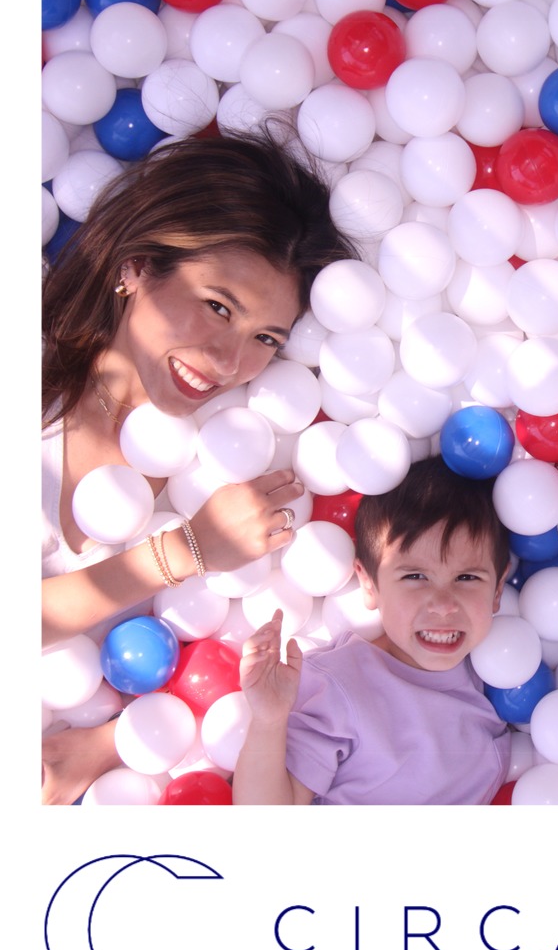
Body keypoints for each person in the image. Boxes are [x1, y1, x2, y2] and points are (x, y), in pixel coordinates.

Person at [41, 127, 357, 803]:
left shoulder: (248, 454)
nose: (228, 361)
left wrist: (109, 744)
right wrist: (185, 552)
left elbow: (257, 653)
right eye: (217, 306)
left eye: (264, 337)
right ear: (136, 266)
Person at [234, 456, 513, 805]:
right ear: (369, 584)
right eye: (415, 577)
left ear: (497, 590)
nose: (443, 605)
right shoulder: (340, 685)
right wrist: (269, 722)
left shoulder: (502, 676)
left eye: (467, 577)